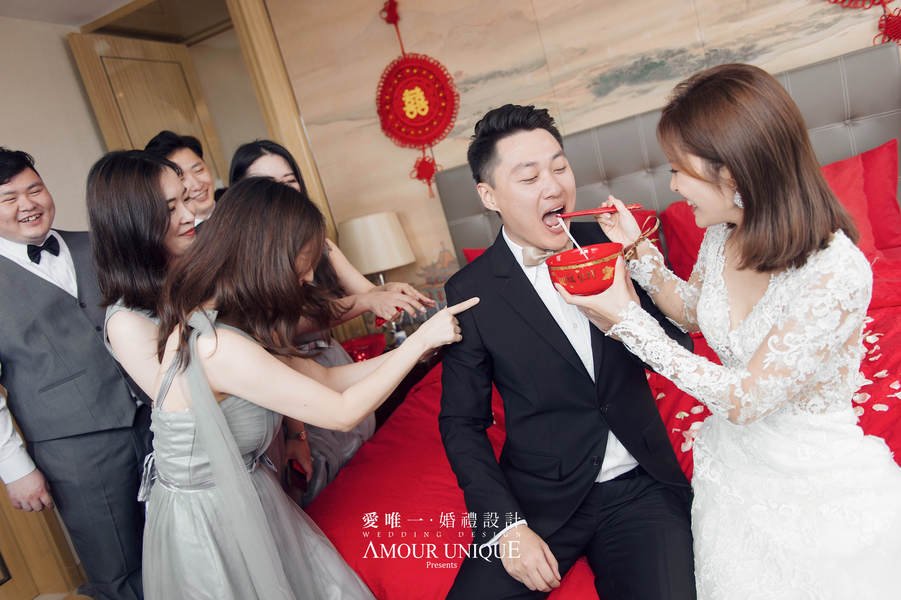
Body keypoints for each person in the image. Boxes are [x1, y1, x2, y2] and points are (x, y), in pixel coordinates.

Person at [559, 64, 901, 599]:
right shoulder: (724, 234)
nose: (673, 185)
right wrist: (636, 250)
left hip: (813, 478)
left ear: (734, 173)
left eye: (680, 170)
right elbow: (694, 313)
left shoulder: (836, 270)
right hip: (733, 465)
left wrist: (630, 324)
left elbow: (745, 399)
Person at [144, 176, 477, 599]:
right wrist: (420, 342)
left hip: (247, 494)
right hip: (212, 519)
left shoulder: (230, 320)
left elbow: (324, 379)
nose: (307, 277)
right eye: (301, 263)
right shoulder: (216, 345)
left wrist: (416, 348)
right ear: (266, 258)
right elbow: (341, 411)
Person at [439, 105, 696, 599]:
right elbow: (461, 423)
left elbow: (676, 346)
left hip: (638, 484)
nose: (553, 187)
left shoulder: (613, 245)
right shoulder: (470, 291)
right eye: (529, 177)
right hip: (537, 499)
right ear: (488, 196)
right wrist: (505, 526)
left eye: (559, 167)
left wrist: (632, 285)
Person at [230, 139, 435, 504]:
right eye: (268, 185)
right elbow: (283, 330)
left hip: (329, 363)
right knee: (326, 483)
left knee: (368, 466)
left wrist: (388, 295)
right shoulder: (249, 276)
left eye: (289, 181)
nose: (307, 278)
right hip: (296, 382)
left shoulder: (318, 244)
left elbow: (367, 294)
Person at [0, 147, 152, 600]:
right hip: (74, 451)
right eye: (9, 198)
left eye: (35, 189)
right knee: (117, 567)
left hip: (155, 418)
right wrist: (15, 469)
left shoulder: (97, 244)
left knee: (187, 536)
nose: (28, 204)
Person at [86, 150, 195, 404]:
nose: (189, 216)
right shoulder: (126, 322)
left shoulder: (205, 270)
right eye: (171, 209)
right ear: (132, 223)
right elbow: (180, 405)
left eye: (186, 199)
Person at [144, 131, 216, 224]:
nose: (197, 186)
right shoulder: (173, 233)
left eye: (198, 170)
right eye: (181, 179)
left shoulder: (233, 205)